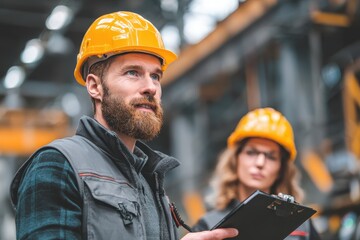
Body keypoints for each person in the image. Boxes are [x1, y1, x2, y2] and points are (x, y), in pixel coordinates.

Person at [9, 11, 238, 240]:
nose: (151, 87)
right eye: (133, 73)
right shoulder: (58, 165)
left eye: (156, 76)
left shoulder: (150, 183)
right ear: (94, 86)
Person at [192, 107, 321, 240]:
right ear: (235, 160)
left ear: (281, 169)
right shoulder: (208, 227)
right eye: (251, 152)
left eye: (271, 157)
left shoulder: (301, 226)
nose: (260, 163)